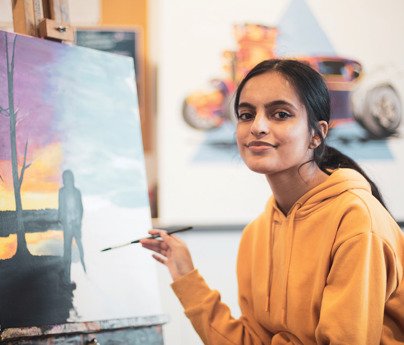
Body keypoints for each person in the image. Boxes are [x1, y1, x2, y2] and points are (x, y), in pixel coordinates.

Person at [141, 59, 404, 344]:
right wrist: (185, 276)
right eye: (246, 114)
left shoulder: (356, 220)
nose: (257, 127)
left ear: (317, 134)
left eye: (280, 114)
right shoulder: (256, 233)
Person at [58, 169, 86, 285]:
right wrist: (61, 220)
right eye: (64, 179)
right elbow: (60, 207)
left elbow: (81, 208)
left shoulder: (77, 192)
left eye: (68, 178)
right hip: (67, 226)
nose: (66, 181)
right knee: (67, 251)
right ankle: (67, 277)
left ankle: (85, 269)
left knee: (80, 247)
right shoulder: (61, 192)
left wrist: (78, 222)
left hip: (76, 224)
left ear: (72, 179)